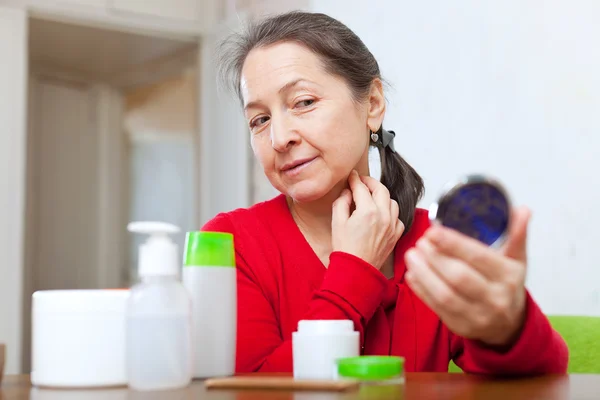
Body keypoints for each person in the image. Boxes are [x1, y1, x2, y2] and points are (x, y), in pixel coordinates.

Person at [202, 10, 568, 375]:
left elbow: (545, 379)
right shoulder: (232, 244)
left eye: (303, 102)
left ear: (373, 104)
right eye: (259, 120)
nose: (279, 138)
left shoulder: (435, 244)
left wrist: (506, 329)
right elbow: (250, 391)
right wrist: (354, 273)